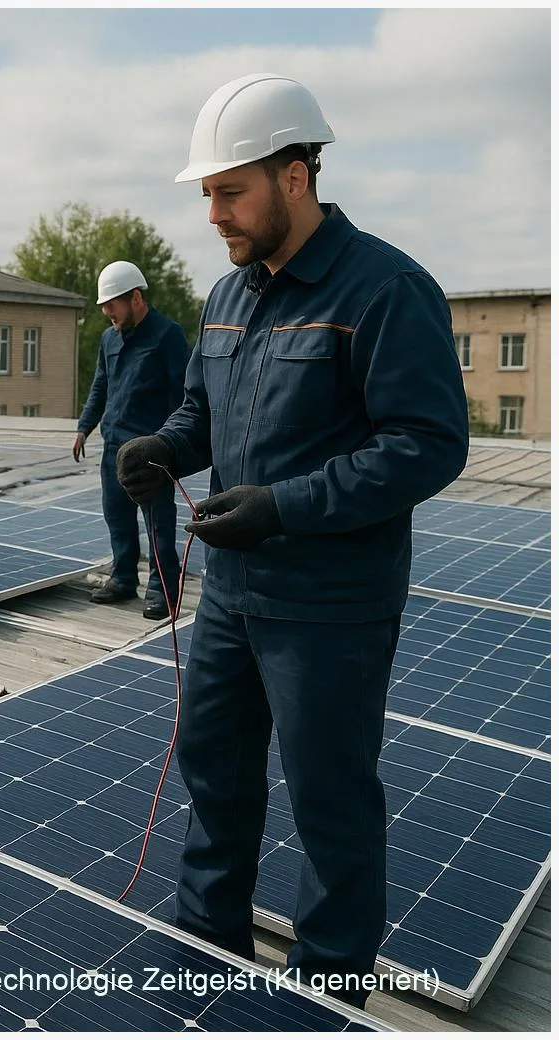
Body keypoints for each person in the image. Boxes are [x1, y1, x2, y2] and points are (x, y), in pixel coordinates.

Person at [116, 74, 468, 1008]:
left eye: (230, 193)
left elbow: (428, 445)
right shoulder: (227, 295)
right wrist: (164, 447)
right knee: (215, 776)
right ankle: (206, 957)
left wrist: (285, 507)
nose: (214, 215)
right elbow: (202, 413)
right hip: (232, 597)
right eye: (207, 195)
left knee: (330, 805)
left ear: (295, 177)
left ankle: (325, 998)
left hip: (330, 607)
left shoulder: (385, 289)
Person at [73, 260, 190, 621]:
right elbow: (100, 386)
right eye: (103, 305)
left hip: (151, 451)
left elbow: (185, 395)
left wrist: (173, 444)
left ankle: (163, 590)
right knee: (117, 517)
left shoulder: (168, 335)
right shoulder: (109, 339)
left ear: (135, 298)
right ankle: (123, 578)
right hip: (113, 448)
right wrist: (84, 427)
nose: (106, 312)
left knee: (158, 524)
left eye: (111, 304)